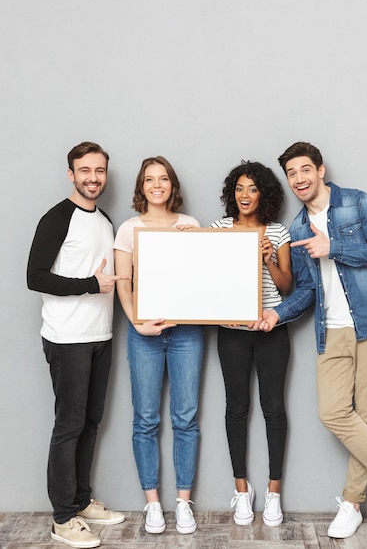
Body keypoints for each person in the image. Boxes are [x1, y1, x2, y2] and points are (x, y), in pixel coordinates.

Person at [251, 141, 367, 543]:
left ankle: (353, 504)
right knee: (335, 412)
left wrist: (335, 247)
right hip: (333, 328)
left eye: (305, 170)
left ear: (320, 170)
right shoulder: (297, 229)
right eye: (292, 174)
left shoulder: (357, 203)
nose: (299, 179)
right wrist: (278, 313)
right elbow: (306, 289)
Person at [27, 141, 126, 549]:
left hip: (100, 337)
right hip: (67, 340)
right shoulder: (57, 218)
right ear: (71, 173)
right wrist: (89, 285)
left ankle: (81, 502)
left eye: (99, 170)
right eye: (84, 170)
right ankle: (63, 518)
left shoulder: (104, 220)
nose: (93, 178)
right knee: (68, 426)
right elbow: (35, 277)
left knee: (90, 423)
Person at [114, 156, 204, 536]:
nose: (157, 185)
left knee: (185, 418)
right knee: (146, 419)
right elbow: (123, 283)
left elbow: (202, 276)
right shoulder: (129, 229)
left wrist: (192, 247)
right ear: (141, 186)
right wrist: (137, 322)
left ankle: (183, 503)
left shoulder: (191, 225)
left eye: (163, 178)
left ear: (172, 185)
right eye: (149, 179)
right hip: (143, 333)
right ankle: (153, 504)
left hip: (185, 331)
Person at [211, 161, 292, 527]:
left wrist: (268, 259)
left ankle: (273, 492)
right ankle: (242, 490)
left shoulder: (277, 232)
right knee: (236, 408)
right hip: (232, 333)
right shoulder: (218, 229)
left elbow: (286, 286)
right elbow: (203, 275)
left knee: (274, 409)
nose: (245, 195)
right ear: (233, 193)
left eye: (253, 189)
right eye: (240, 189)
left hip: (270, 332)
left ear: (265, 195)